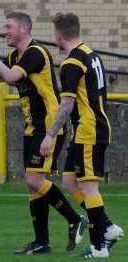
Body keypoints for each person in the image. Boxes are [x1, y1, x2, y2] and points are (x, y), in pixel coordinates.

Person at [0, 11, 88, 254]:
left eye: (8, 26)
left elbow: (10, 78)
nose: (4, 30)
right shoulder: (14, 55)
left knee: (34, 180)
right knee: (33, 186)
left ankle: (76, 220)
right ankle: (42, 242)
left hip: (50, 127)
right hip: (33, 128)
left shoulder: (35, 52)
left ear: (23, 29)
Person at [40, 12, 124, 258]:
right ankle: (107, 227)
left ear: (58, 35)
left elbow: (66, 104)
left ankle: (99, 248)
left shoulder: (71, 62)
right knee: (69, 181)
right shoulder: (91, 53)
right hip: (89, 128)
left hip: (89, 130)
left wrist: (50, 136)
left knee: (89, 188)